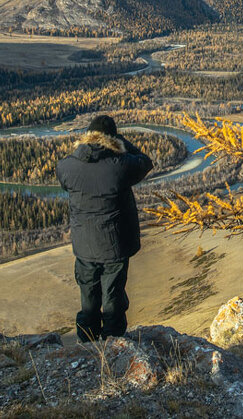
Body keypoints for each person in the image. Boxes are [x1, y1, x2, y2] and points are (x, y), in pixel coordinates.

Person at [56, 114, 152, 342]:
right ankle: (112, 347)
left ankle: (87, 344)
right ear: (112, 139)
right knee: (113, 299)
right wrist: (122, 143)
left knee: (88, 297)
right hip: (114, 245)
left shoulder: (67, 166)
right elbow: (145, 162)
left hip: (84, 245)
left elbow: (66, 181)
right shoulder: (119, 167)